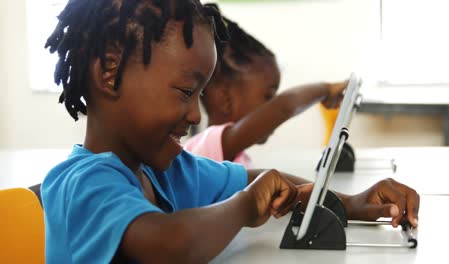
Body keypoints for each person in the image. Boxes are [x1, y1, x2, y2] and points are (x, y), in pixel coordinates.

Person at [41, 0, 419, 263]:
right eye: (186, 93)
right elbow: (173, 246)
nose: (195, 113)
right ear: (109, 73)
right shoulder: (83, 183)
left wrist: (350, 202)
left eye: (200, 95)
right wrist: (244, 206)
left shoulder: (167, 172)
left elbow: (256, 180)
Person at [184, 14, 348, 169]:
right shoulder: (205, 149)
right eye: (268, 97)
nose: (272, 107)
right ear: (224, 98)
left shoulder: (236, 155)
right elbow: (284, 107)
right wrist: (326, 90)